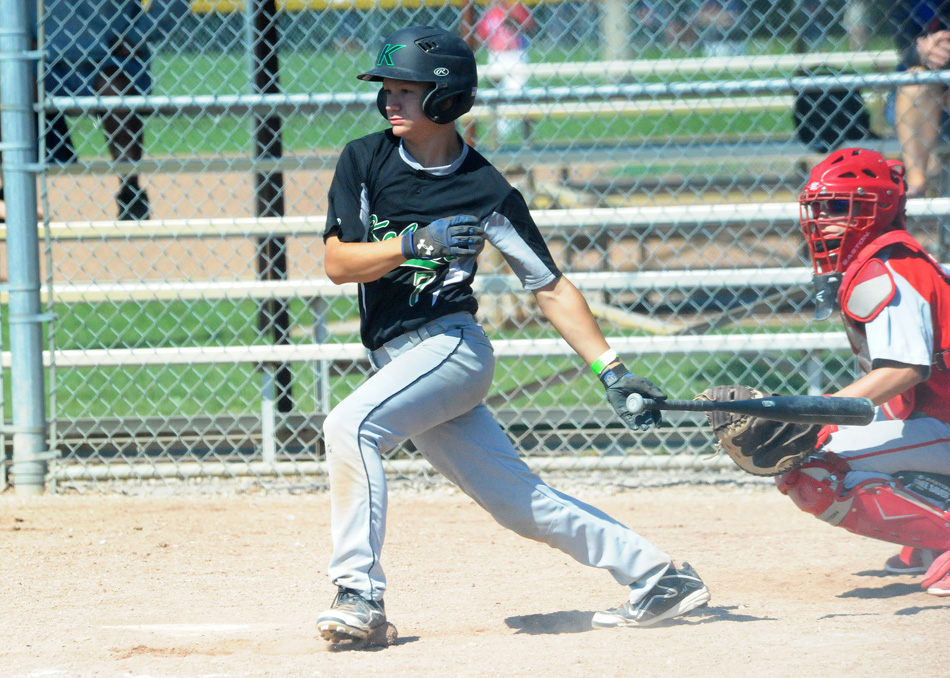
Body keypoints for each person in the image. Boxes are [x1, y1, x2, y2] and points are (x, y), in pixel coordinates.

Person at [314, 25, 710, 646]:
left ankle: (359, 593)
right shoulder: (365, 160)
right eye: (385, 88)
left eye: (405, 89)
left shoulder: (486, 188)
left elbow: (549, 286)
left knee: (351, 426)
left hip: (449, 350)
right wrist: (413, 245)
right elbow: (339, 264)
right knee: (516, 501)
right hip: (397, 362)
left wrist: (611, 368)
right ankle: (656, 575)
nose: (388, 100)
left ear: (445, 100)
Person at [777, 147, 950, 596]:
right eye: (819, 208)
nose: (824, 220)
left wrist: (815, 414)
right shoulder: (879, 260)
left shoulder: (888, 267)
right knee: (813, 447)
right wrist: (819, 418)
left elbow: (905, 370)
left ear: (878, 211)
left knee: (812, 469)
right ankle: (932, 534)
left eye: (839, 207)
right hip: (938, 416)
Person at [43, 0, 157, 220]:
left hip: (111, 57)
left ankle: (130, 191)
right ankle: (10, 191)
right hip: (46, 60)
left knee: (114, 87)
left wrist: (139, 34)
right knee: (12, 92)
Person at [890, 2, 950, 197]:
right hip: (922, 96)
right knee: (915, 79)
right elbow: (905, 48)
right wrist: (924, 52)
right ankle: (916, 184)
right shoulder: (905, 4)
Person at [475, 1, 535, 136]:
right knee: (496, 94)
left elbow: (530, 25)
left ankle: (522, 133)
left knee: (518, 93)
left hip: (516, 55)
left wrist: (514, 18)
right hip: (497, 55)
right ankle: (499, 131)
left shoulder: (518, 9)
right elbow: (481, 34)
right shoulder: (490, 14)